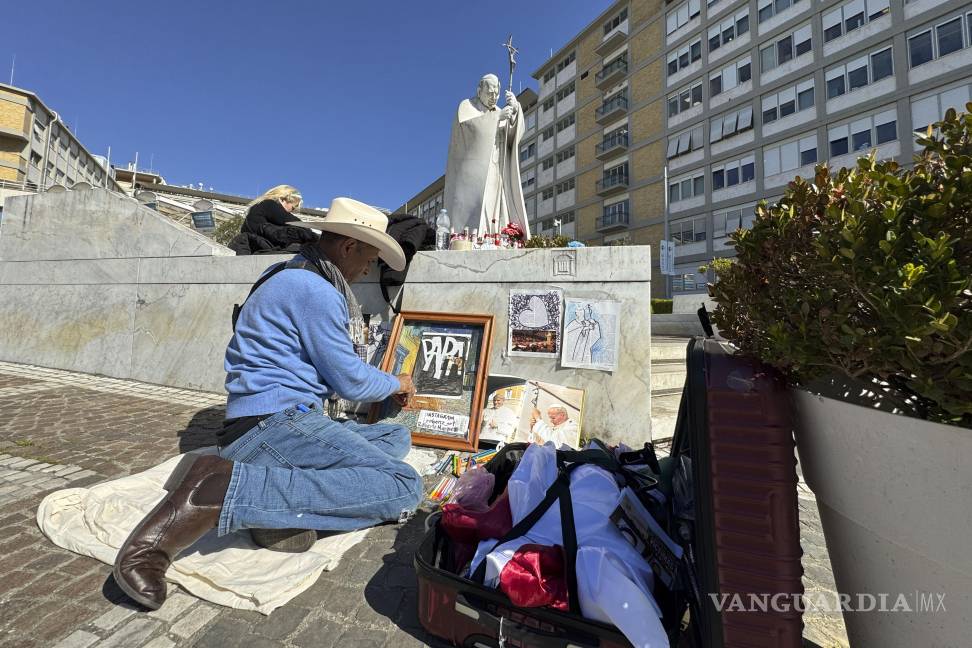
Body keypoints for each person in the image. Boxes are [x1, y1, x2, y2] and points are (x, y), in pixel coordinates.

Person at [113, 197, 423, 611]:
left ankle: (273, 506)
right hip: (273, 423)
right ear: (349, 247)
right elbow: (349, 380)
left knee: (395, 436)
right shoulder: (314, 289)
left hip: (274, 420)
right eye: (369, 257)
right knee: (404, 484)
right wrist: (395, 382)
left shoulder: (287, 273)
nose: (369, 269)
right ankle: (223, 490)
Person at [444, 74, 531, 237]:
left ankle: (496, 235)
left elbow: (512, 139)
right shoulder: (467, 106)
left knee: (495, 207)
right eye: (490, 93)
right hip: (475, 171)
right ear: (479, 91)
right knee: (480, 208)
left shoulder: (499, 110)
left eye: (497, 94)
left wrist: (515, 113)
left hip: (497, 167)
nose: (494, 97)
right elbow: (468, 129)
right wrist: (496, 118)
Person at [228, 184, 319, 254]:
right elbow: (296, 223)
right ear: (282, 199)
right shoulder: (268, 204)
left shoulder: (258, 208)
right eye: (293, 207)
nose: (291, 212)